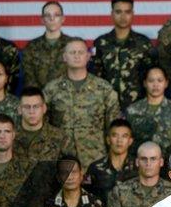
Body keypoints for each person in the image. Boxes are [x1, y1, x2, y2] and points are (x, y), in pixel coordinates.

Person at [43, 37, 120, 170]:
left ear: (88, 56)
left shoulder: (103, 89)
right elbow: (44, 127)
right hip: (62, 160)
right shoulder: (51, 90)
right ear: (64, 57)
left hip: (96, 161)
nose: (77, 56)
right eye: (72, 53)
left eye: (80, 52)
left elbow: (114, 127)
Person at [94, 0, 154, 110]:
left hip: (138, 106)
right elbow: (95, 76)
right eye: (118, 12)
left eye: (127, 12)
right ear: (112, 14)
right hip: (107, 106)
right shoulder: (100, 43)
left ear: (133, 14)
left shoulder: (144, 43)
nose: (123, 16)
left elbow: (151, 76)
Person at [124, 66, 171, 156]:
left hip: (168, 162)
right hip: (141, 162)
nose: (155, 85)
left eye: (160, 80)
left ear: (166, 83)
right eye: (151, 81)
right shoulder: (132, 110)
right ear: (145, 83)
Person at [14, 86, 74, 163]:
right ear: (19, 110)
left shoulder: (61, 137)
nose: (31, 111)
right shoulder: (8, 136)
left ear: (44, 108)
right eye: (27, 107)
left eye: (36, 106)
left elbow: (71, 169)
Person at [85, 119, 137, 204]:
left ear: (130, 141)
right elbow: (85, 194)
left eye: (124, 136)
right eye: (115, 135)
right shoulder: (94, 168)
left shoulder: (138, 167)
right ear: (108, 139)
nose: (119, 140)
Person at [22, 1, 72, 89]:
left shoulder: (73, 45)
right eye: (47, 15)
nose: (52, 19)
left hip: (67, 98)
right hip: (39, 98)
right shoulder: (32, 46)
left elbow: (78, 74)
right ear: (42, 20)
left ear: (63, 19)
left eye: (56, 15)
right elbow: (29, 79)